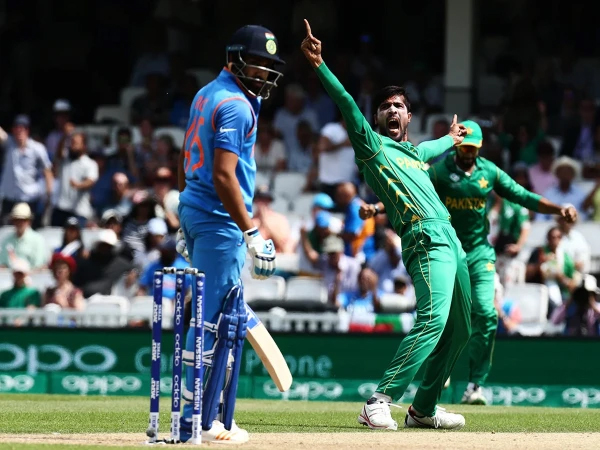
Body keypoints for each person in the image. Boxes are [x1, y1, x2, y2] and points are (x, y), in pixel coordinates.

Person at [302, 20, 470, 430]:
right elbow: (346, 103)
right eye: (385, 107)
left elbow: (432, 147)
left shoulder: (414, 153)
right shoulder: (372, 146)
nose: (392, 110)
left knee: (461, 328)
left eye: (398, 106)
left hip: (452, 239)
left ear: (409, 116)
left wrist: (452, 138)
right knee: (433, 320)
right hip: (424, 239)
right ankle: (378, 401)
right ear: (376, 118)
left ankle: (423, 409)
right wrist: (320, 64)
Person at [362, 120, 577, 405]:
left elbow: (522, 195)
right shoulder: (439, 171)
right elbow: (407, 188)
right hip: (445, 251)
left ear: (480, 147)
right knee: (441, 318)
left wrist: (559, 209)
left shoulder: (489, 171)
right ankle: (439, 372)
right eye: (464, 148)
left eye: (473, 149)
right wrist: (376, 208)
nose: (468, 154)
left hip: (479, 254)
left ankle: (475, 386)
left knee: (486, 314)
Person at [174, 25, 284, 443]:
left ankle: (203, 416)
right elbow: (224, 176)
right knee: (212, 321)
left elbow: (188, 156)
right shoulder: (236, 105)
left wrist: (185, 217)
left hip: (196, 210)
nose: (264, 72)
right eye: (256, 63)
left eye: (268, 66)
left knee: (215, 316)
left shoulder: (207, 93)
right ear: (234, 59)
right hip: (219, 221)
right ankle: (198, 421)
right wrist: (251, 232)